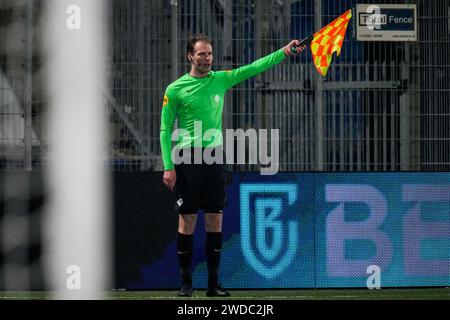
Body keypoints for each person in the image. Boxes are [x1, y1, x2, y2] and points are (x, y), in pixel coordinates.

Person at [160, 34, 305, 297]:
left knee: (215, 220)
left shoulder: (221, 79)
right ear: (189, 57)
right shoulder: (175, 89)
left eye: (210, 53)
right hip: (187, 160)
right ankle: (185, 284)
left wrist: (284, 51)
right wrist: (169, 166)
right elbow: (164, 129)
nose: (207, 58)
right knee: (188, 221)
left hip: (214, 159)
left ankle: (213, 285)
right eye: (202, 54)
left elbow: (253, 68)